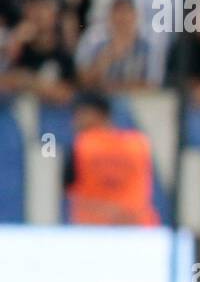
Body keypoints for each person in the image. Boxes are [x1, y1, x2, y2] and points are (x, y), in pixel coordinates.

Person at [63, 90, 159, 225]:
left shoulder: (80, 145)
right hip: (138, 228)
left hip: (94, 230)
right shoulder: (139, 143)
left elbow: (67, 192)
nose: (74, 121)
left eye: (79, 114)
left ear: (96, 114)